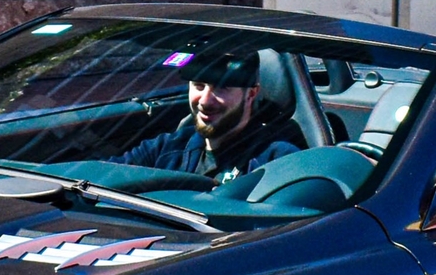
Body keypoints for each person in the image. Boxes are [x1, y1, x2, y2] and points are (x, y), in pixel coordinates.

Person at [116, 53, 301, 185]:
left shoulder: (277, 160)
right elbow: (103, 175)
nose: (205, 101)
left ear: (251, 94)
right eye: (198, 86)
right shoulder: (167, 148)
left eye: (221, 88)